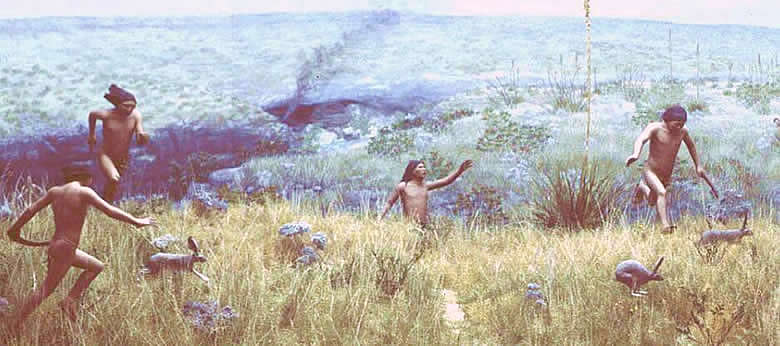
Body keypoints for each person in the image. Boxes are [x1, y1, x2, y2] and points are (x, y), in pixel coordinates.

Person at [5, 164, 154, 327]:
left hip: (57, 245)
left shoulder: (55, 191)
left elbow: (29, 210)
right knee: (46, 289)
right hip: (66, 248)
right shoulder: (84, 192)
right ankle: (15, 324)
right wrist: (137, 221)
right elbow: (110, 211)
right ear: (86, 179)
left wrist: (14, 229)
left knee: (96, 266)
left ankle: (70, 300)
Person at [626, 105, 718, 234]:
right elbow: (641, 139)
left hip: (666, 174)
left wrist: (698, 165)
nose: (679, 127)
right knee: (662, 193)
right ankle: (665, 226)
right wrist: (636, 154)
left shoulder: (683, 132)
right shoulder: (655, 128)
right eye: (676, 124)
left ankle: (642, 187)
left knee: (653, 201)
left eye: (682, 124)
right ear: (667, 120)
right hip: (651, 170)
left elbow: (691, 146)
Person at [88, 84, 150, 203]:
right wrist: (92, 134)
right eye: (126, 106)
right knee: (114, 178)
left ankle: (106, 203)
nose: (129, 109)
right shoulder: (106, 115)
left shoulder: (136, 116)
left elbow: (139, 132)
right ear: (117, 104)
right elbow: (92, 114)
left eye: (132, 106)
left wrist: (142, 137)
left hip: (122, 158)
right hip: (105, 154)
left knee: (114, 183)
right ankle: (103, 203)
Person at [378, 159, 474, 226]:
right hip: (409, 226)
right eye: (420, 167)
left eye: (424, 167)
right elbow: (389, 203)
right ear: (412, 171)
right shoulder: (403, 186)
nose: (424, 169)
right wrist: (379, 218)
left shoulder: (426, 186)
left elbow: (446, 181)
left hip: (424, 226)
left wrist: (460, 170)